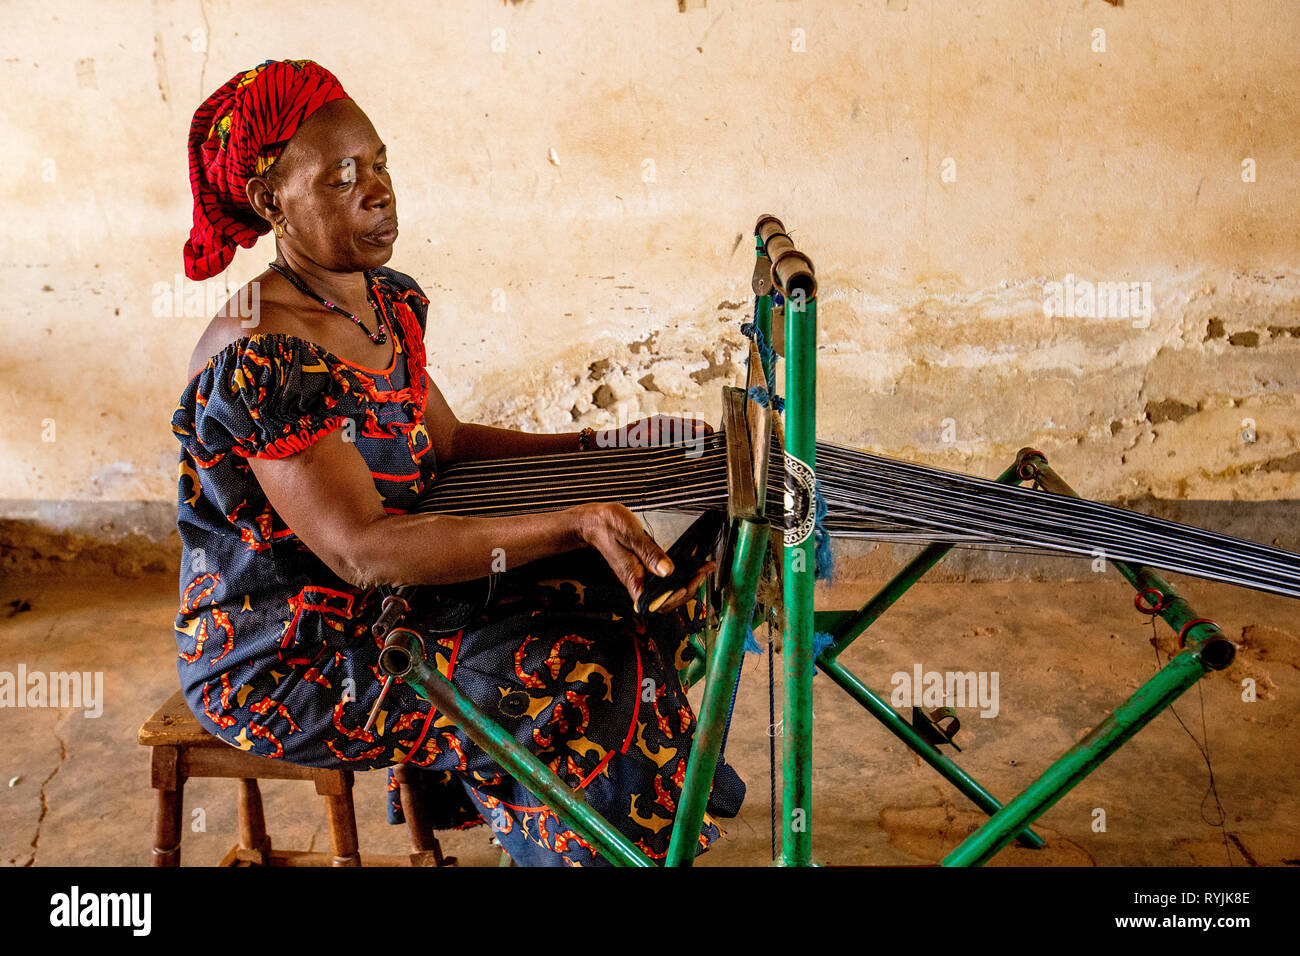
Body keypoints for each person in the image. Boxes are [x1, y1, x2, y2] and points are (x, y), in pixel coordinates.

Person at [172, 58, 737, 866]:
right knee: (576, 664)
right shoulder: (263, 352)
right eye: (340, 178)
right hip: (290, 653)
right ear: (271, 202)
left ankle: (632, 827)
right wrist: (574, 520)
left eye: (379, 165)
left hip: (388, 596)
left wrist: (610, 448)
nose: (377, 191)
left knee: (629, 596)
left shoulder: (378, 301)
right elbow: (360, 550)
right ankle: (600, 849)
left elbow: (452, 444)